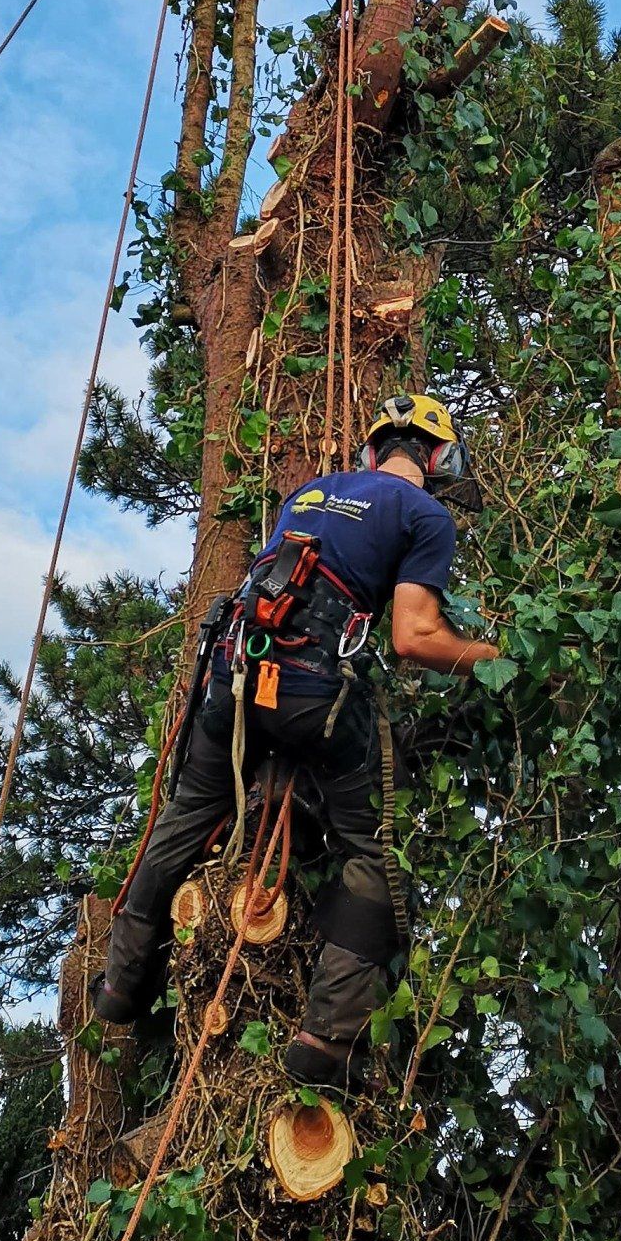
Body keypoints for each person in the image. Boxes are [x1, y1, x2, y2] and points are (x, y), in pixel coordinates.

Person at [93, 393, 499, 1090]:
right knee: (373, 853)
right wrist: (497, 657)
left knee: (187, 814)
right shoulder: (425, 515)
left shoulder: (309, 493)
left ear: (371, 452)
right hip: (316, 699)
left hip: (236, 680)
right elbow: (412, 637)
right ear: (438, 460)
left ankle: (121, 985)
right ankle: (322, 1038)